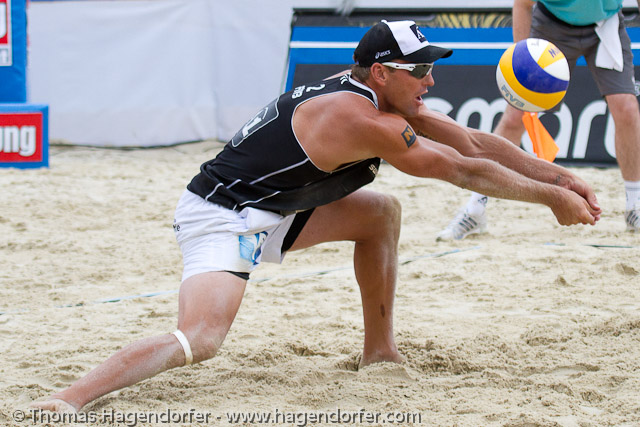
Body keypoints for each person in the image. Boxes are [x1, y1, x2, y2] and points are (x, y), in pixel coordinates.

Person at [31, 20, 601, 413]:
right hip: (223, 215)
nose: (431, 80)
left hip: (277, 203)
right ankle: (68, 399)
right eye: (421, 69)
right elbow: (462, 170)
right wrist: (549, 200)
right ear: (382, 72)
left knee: (380, 212)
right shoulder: (362, 120)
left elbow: (472, 141)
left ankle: (379, 351)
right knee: (202, 338)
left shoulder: (377, 94)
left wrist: (561, 178)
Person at [437, 0, 640, 241]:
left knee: (627, 108)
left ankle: (634, 206)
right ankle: (475, 209)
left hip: (605, 25)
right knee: (515, 117)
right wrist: (522, 62)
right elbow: (522, 4)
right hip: (552, 26)